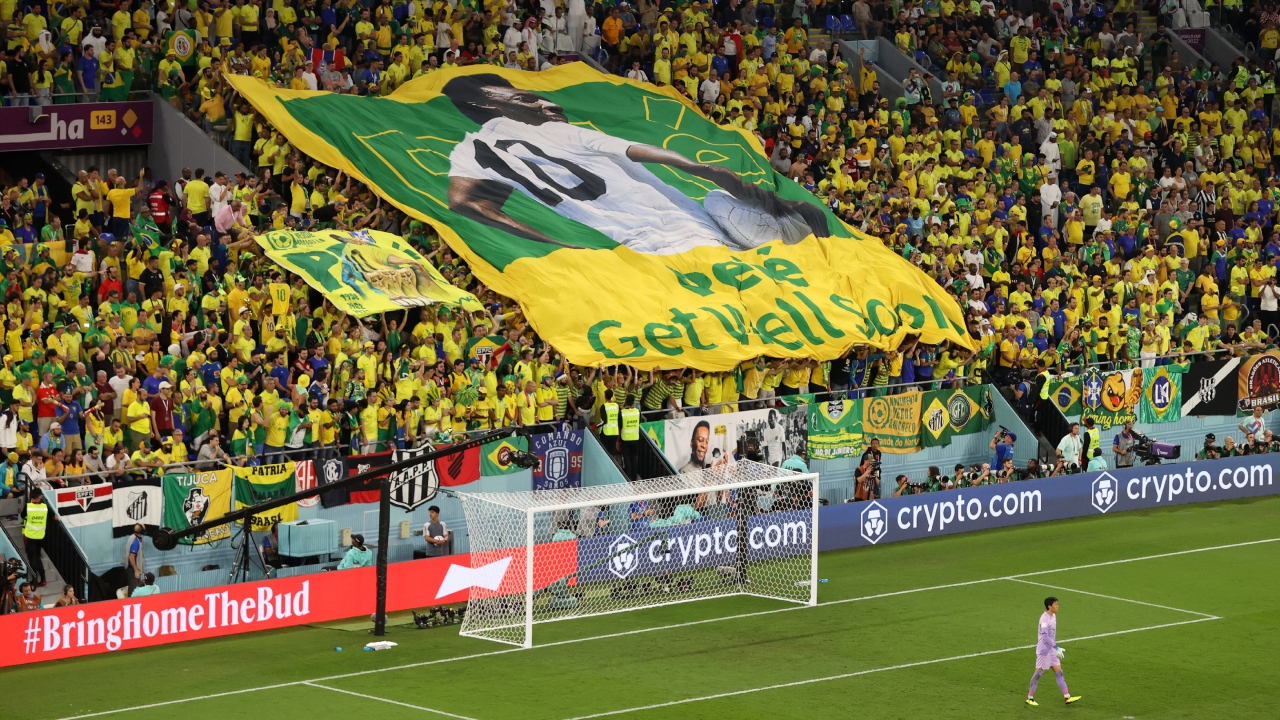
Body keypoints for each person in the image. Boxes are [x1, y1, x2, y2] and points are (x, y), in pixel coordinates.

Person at [443, 74, 829, 255]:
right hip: (693, 229)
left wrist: (558, 244)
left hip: (640, 249)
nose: (547, 104)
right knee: (717, 198)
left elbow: (463, 201)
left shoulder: (469, 150)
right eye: (529, 100)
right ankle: (800, 234)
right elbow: (667, 159)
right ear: (489, 104)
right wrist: (733, 183)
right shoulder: (556, 132)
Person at [1027, 596, 1082, 706]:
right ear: (1049, 606)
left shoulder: (1054, 616)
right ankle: (1030, 698)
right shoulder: (1044, 619)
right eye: (1055, 605)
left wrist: (1054, 648)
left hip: (1051, 650)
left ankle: (1067, 697)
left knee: (1059, 672)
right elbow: (1045, 636)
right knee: (1038, 674)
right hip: (1044, 651)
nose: (1057, 606)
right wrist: (1056, 647)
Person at [22, 487, 48, 587]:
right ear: (39, 496)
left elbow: (22, 515)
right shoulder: (44, 507)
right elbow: (51, 515)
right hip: (40, 536)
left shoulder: (28, 506)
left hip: (30, 536)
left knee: (32, 558)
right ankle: (43, 578)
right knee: (37, 558)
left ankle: (34, 580)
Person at [124, 523, 147, 595]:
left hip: (133, 568)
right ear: (142, 531)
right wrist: (136, 570)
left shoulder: (134, 537)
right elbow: (131, 557)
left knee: (137, 589)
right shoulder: (135, 542)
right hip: (133, 569)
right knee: (133, 591)